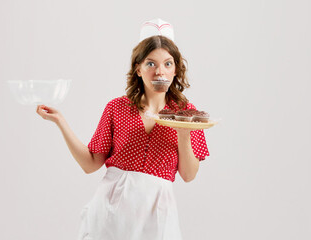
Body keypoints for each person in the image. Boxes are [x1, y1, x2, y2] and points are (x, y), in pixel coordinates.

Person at [35, 19, 209, 240]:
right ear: (138, 68)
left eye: (167, 63)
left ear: (176, 69)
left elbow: (189, 175)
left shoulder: (187, 113)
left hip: (158, 211)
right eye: (150, 63)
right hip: (112, 208)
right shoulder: (117, 108)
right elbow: (90, 164)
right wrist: (60, 121)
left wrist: (183, 132)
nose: (159, 72)